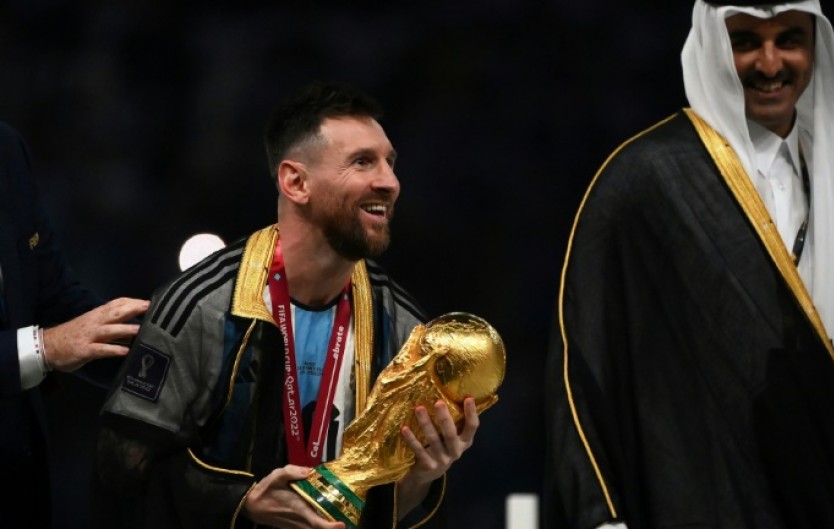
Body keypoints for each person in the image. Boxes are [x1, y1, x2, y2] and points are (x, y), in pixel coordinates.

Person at [544, 1, 834, 529]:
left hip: (820, 503)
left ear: (816, 45)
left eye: (789, 39)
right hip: (689, 498)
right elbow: (582, 375)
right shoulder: (644, 180)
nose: (769, 63)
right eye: (744, 41)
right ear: (713, 44)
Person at [94, 81, 480, 529]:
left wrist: (422, 478)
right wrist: (241, 501)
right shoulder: (201, 307)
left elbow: (389, 510)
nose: (389, 182)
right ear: (295, 182)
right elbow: (119, 469)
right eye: (362, 162)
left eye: (390, 164)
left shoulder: (402, 327)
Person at [0, 120, 151, 529]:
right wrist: (43, 348)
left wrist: (176, 352)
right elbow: (53, 337)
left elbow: (56, 302)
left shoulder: (6, 148)